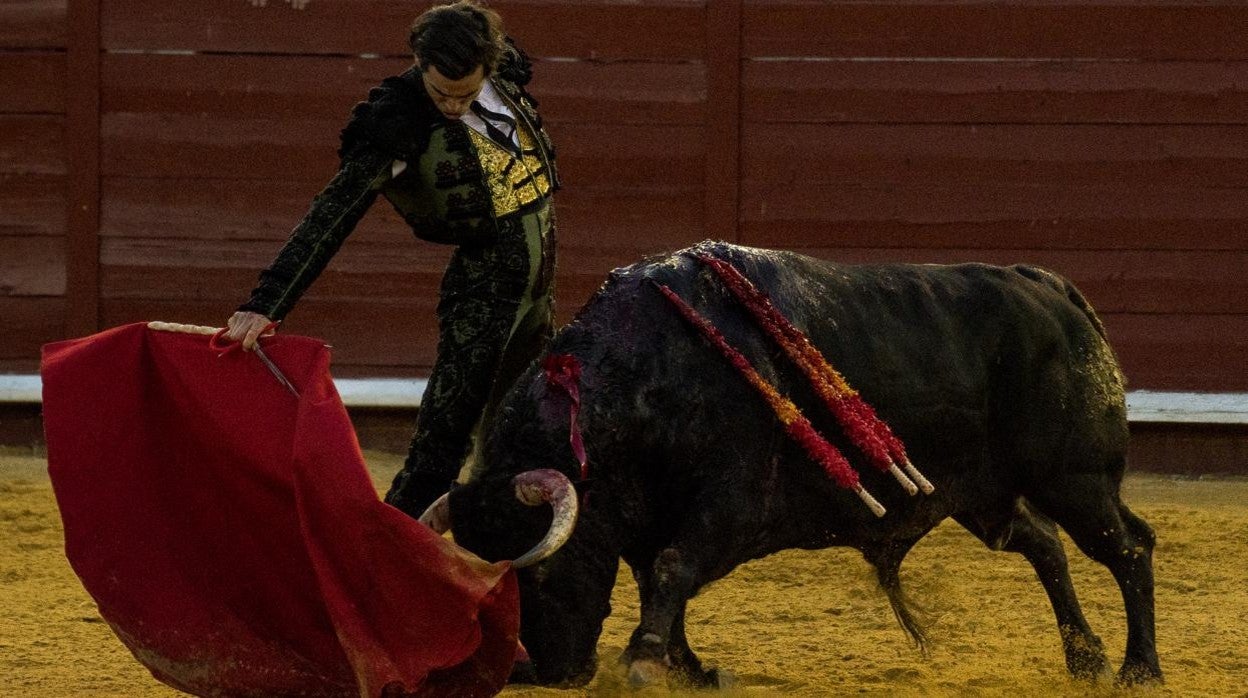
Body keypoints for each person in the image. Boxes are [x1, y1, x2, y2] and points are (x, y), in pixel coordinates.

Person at [225, 0, 559, 519]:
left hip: (538, 289)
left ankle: (504, 541)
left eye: (466, 94)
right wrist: (267, 302)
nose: (453, 106)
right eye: (441, 93)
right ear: (420, 65)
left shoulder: (502, 69)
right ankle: (387, 553)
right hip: (484, 294)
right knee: (441, 444)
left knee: (528, 425)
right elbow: (332, 215)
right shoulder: (398, 121)